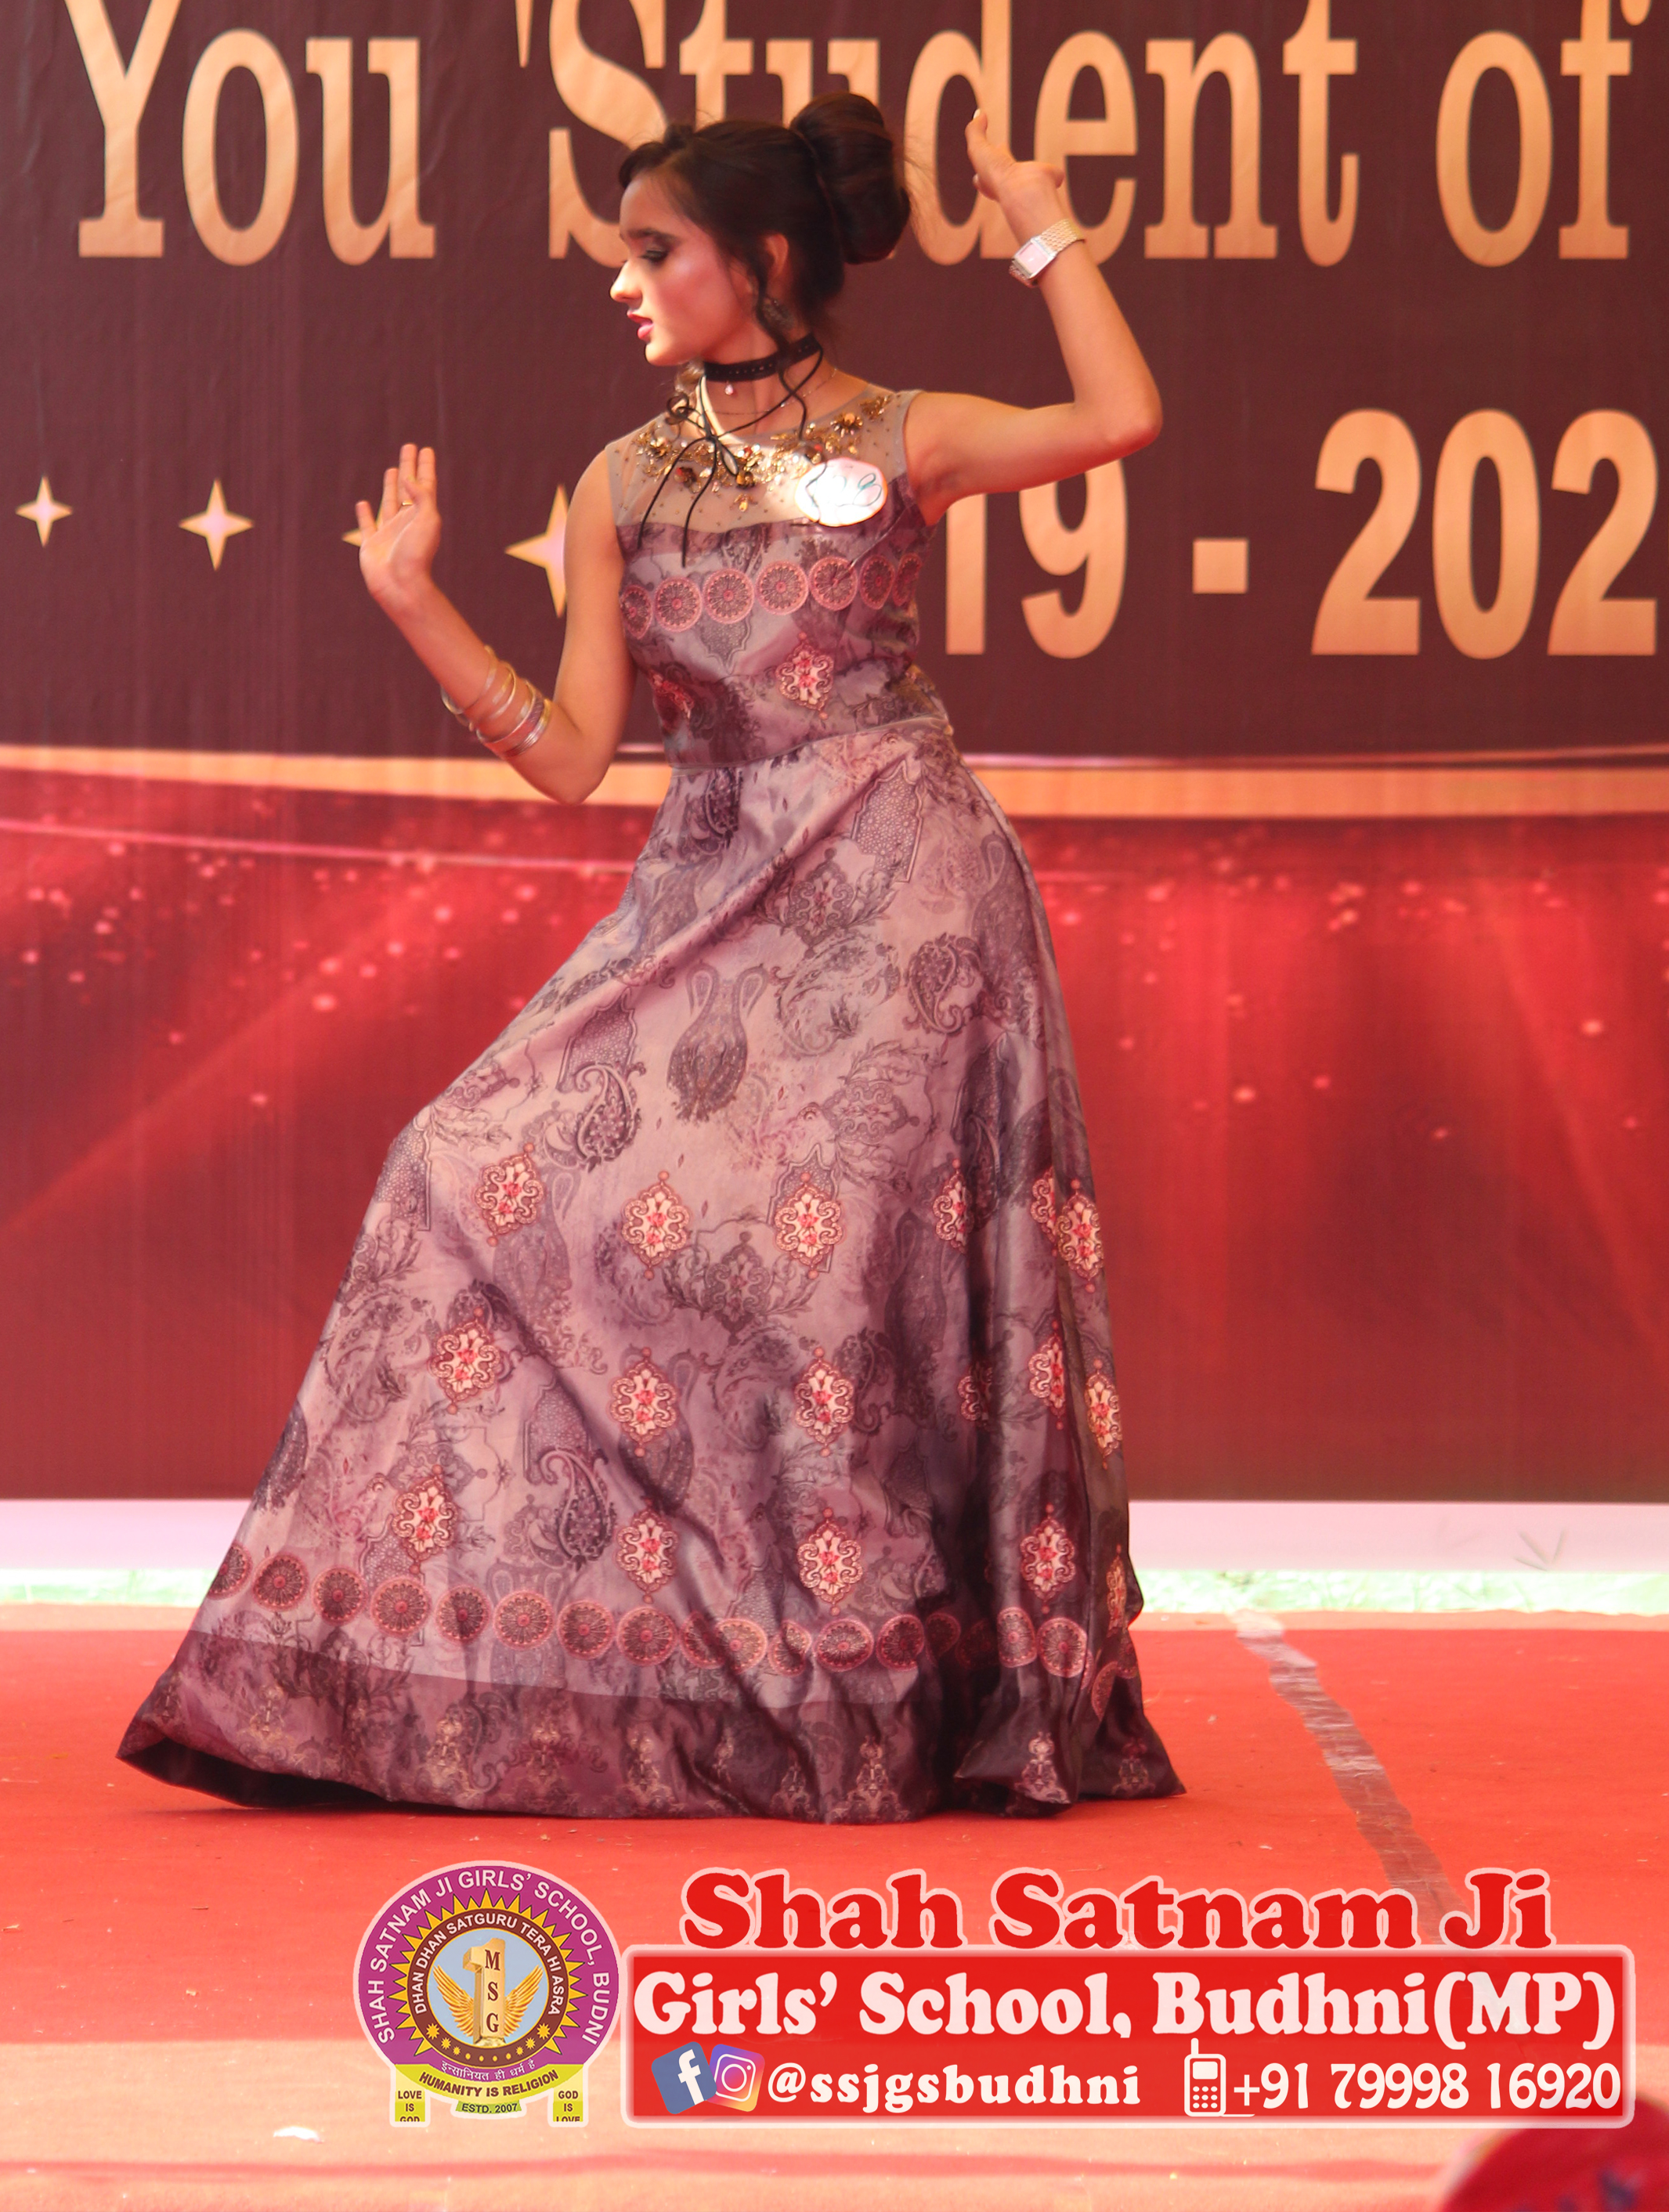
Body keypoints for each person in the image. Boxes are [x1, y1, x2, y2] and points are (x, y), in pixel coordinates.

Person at [119, 96, 1181, 1819]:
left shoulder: (903, 435)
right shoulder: (619, 479)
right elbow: (569, 754)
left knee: (825, 1282)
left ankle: (868, 1689)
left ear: (761, 259)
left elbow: (1123, 415)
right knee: (455, 1164)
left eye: (654, 250)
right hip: (707, 893)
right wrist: (416, 605)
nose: (624, 283)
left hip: (904, 900)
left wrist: (1043, 227)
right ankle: (634, 1665)